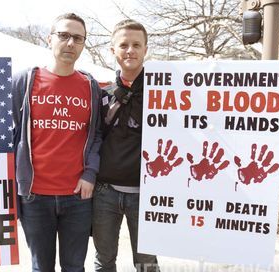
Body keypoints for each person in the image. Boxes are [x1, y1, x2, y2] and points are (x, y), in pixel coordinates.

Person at [11, 13, 102, 272]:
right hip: (34, 196)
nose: (70, 43)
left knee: (75, 267)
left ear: (83, 44)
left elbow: (96, 135)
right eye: (63, 35)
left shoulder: (90, 86)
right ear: (49, 39)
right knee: (42, 268)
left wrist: (90, 173)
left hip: (78, 196)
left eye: (77, 38)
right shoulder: (25, 82)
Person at [92, 19, 159, 272]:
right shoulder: (102, 94)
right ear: (113, 50)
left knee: (146, 264)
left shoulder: (163, 94)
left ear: (145, 49)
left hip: (146, 194)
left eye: (136, 45)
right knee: (103, 261)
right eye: (123, 45)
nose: (130, 50)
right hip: (105, 193)